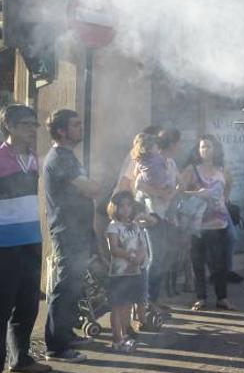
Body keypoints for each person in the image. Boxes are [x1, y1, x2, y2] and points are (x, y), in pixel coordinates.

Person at [43, 109, 101, 363]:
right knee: (65, 287)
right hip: (68, 232)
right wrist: (94, 188)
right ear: (61, 131)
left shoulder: (69, 157)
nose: (81, 128)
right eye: (76, 125)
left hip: (79, 231)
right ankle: (56, 347)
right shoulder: (59, 158)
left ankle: (65, 334)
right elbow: (89, 188)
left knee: (74, 286)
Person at [0, 105, 51, 373]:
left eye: (35, 124)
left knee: (28, 304)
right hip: (4, 244)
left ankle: (20, 360)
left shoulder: (34, 159)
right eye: (27, 124)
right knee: (2, 305)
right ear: (9, 125)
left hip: (32, 239)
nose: (33, 129)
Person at [180, 135, 235, 311]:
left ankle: (222, 298)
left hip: (219, 223)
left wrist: (223, 202)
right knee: (198, 262)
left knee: (219, 263)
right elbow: (179, 191)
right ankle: (201, 298)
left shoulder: (222, 169)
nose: (205, 150)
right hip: (198, 225)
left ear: (215, 149)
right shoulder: (192, 169)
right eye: (202, 147)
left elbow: (229, 186)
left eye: (209, 147)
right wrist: (197, 194)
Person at [131, 131, 178, 313]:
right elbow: (139, 186)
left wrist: (170, 193)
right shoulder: (143, 164)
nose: (156, 149)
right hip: (150, 216)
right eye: (153, 146)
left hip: (162, 214)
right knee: (155, 258)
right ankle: (146, 301)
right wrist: (162, 193)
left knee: (161, 258)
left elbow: (174, 186)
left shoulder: (164, 162)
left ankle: (152, 299)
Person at [105, 191, 151, 352]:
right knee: (117, 306)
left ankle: (125, 335)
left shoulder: (136, 226)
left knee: (128, 305)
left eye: (128, 205)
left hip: (135, 272)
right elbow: (114, 249)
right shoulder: (113, 226)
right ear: (114, 207)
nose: (125, 209)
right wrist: (131, 257)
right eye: (121, 205)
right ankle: (117, 339)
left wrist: (140, 256)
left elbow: (142, 245)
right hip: (120, 273)